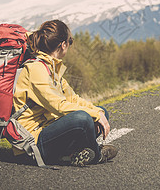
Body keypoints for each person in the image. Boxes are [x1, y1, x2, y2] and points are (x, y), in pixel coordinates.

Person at [13, 19, 118, 166]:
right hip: (33, 142)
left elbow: (73, 98)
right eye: (70, 42)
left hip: (49, 129)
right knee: (83, 118)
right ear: (63, 45)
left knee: (102, 112)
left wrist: (97, 112)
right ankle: (97, 154)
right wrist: (92, 114)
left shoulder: (52, 68)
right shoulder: (36, 69)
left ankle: (72, 154)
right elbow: (59, 106)